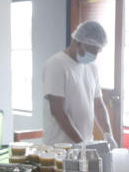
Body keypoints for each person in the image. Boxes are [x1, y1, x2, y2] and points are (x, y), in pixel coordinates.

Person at [42, 20, 118, 148]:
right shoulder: (56, 64)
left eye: (97, 52)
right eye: (91, 50)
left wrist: (108, 134)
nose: (94, 56)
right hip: (60, 148)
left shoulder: (91, 67)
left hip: (84, 146)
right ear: (77, 42)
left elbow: (98, 105)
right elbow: (58, 111)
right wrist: (80, 143)